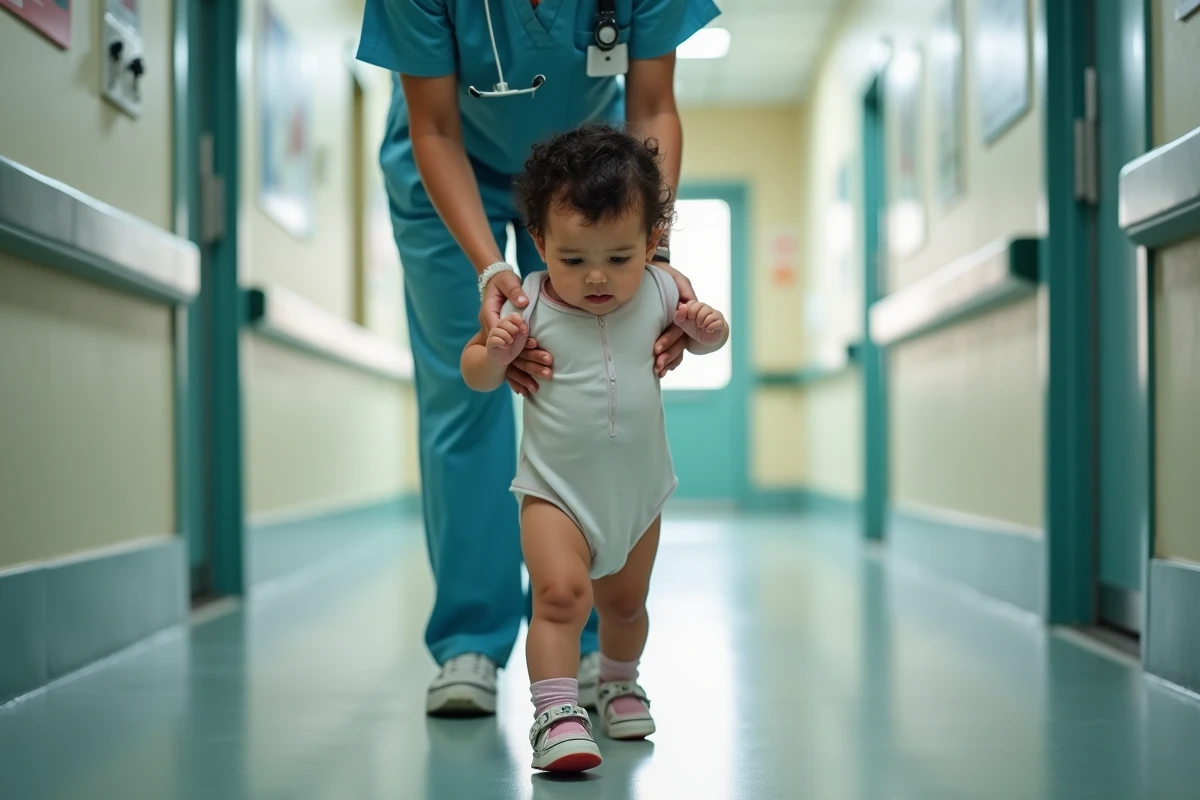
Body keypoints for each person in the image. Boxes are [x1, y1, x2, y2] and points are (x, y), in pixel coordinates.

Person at [355, 0, 720, 716]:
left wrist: (658, 254)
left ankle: (582, 635)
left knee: (578, 380)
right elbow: (431, 124)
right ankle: (470, 638)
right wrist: (494, 273)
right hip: (448, 170)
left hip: (584, 178)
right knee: (469, 388)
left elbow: (650, 107)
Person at [461, 124, 730, 771]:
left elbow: (708, 341)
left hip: (637, 492)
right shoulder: (528, 302)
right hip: (555, 490)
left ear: (652, 243)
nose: (598, 278)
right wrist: (493, 354)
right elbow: (475, 371)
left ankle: (617, 682)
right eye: (574, 260)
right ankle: (555, 714)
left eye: (619, 257)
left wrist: (705, 331)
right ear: (540, 243)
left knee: (625, 605)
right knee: (557, 597)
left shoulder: (665, 290)